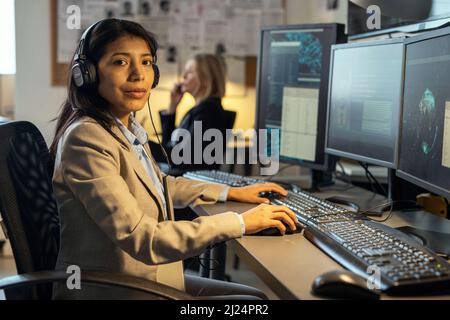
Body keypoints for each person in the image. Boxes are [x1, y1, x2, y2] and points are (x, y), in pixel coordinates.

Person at [49, 19, 298, 299]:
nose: (138, 75)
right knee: (253, 303)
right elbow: (144, 238)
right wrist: (239, 222)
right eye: (120, 62)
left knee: (254, 298)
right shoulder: (87, 138)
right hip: (117, 289)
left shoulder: (123, 128)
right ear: (88, 74)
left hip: (145, 277)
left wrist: (232, 192)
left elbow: (163, 184)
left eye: (145, 63)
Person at [150, 53, 231, 173]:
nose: (183, 76)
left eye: (190, 72)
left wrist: (145, 144)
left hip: (190, 181)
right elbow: (170, 145)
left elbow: (182, 158)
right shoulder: (199, 110)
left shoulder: (208, 113)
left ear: (205, 79)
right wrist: (173, 107)